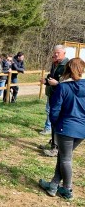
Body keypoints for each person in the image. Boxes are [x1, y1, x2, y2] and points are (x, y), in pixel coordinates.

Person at [39, 58, 85, 200]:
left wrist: (55, 124)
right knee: (63, 156)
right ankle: (53, 186)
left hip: (66, 128)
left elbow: (54, 110)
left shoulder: (63, 87)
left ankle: (67, 189)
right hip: (82, 129)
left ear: (67, 70)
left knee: (65, 159)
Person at [40, 45, 69, 158]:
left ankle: (55, 148)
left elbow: (67, 83)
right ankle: (53, 142)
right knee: (53, 119)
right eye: (55, 52)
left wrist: (56, 83)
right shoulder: (54, 63)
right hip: (53, 95)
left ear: (64, 53)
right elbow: (53, 77)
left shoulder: (67, 65)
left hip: (61, 97)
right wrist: (47, 80)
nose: (55, 54)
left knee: (57, 120)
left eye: (58, 53)